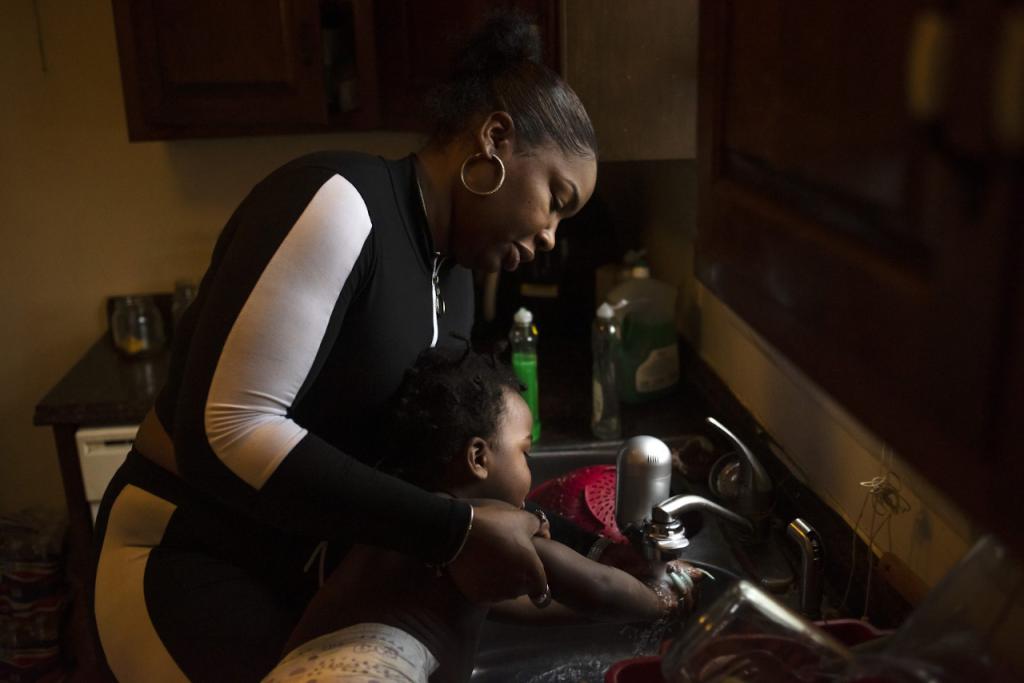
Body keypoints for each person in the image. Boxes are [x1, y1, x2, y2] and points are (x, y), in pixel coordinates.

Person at [92, 11, 601, 682]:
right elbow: (226, 430)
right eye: (556, 199)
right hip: (183, 556)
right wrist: (454, 530)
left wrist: (589, 550)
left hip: (297, 577)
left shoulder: (455, 285)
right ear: (496, 138)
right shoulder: (340, 203)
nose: (549, 238)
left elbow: (434, 466)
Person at [262, 347, 702, 683]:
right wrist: (669, 598)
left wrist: (605, 611)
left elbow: (532, 601)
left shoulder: (416, 525)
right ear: (478, 457)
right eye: (525, 451)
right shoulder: (487, 525)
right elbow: (599, 588)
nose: (530, 467)